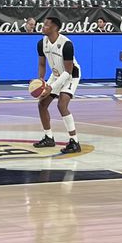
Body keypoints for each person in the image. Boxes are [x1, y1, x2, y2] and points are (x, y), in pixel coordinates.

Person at [33, 16, 82, 154]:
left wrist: (51, 88)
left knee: (62, 105)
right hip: (56, 75)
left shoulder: (67, 44)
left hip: (71, 75)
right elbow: (42, 64)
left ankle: (74, 142)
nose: (43, 27)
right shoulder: (41, 43)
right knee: (42, 104)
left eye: (46, 25)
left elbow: (68, 71)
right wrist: (41, 81)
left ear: (55, 28)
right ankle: (49, 137)